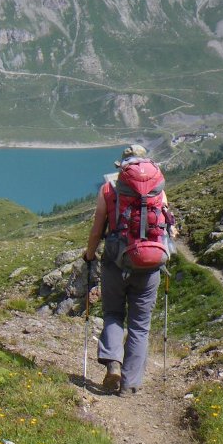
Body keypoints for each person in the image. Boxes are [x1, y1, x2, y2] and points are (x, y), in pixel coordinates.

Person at [82, 144, 175, 395]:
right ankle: (130, 383)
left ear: (122, 166)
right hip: (150, 264)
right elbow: (170, 228)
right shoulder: (159, 190)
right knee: (140, 325)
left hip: (116, 260)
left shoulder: (109, 189)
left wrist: (89, 255)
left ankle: (113, 362)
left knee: (113, 312)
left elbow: (97, 228)